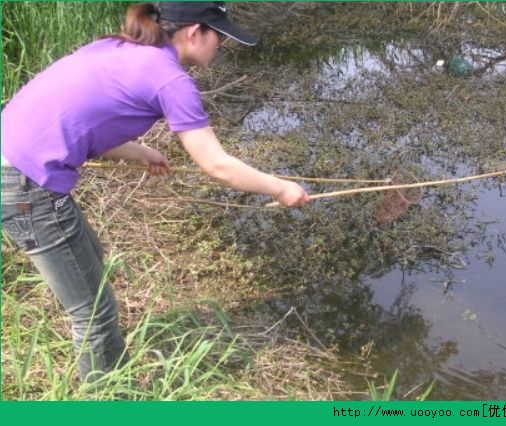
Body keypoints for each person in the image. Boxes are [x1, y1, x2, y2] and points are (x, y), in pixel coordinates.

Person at [1, 1, 309, 383]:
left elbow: (80, 117)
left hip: (12, 160)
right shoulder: (171, 80)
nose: (222, 47)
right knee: (93, 313)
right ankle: (107, 399)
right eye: (220, 38)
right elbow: (216, 164)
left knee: (90, 261)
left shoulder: (119, 47)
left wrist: (138, 152)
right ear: (194, 32)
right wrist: (280, 188)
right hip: (26, 185)